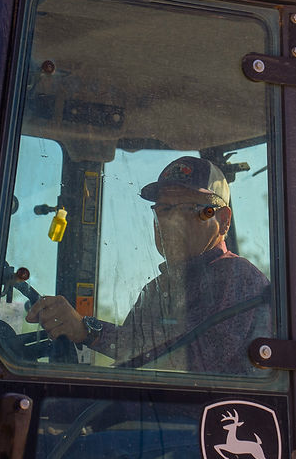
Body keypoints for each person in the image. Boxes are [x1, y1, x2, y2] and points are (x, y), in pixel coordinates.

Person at [26, 156, 271, 373]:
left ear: (224, 220)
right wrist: (74, 326)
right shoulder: (156, 290)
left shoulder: (238, 278)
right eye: (164, 209)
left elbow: (189, 365)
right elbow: (132, 356)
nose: (170, 221)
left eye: (188, 209)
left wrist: (88, 330)